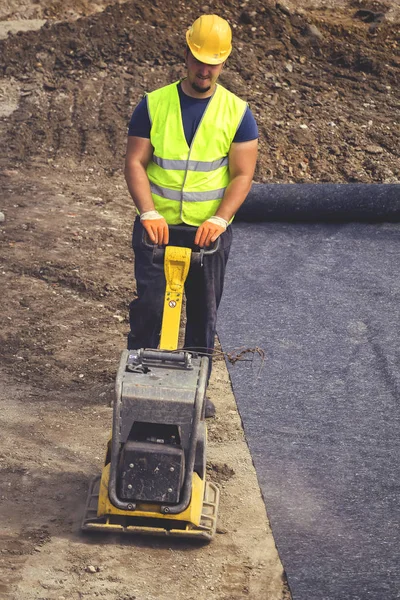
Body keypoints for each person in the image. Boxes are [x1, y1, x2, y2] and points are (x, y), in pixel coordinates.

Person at [125, 14, 258, 416]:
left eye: (213, 62)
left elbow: (242, 173)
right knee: (150, 305)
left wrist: (219, 219)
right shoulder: (153, 104)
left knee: (203, 312)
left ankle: (196, 389)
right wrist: (148, 211)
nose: (205, 69)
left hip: (208, 233)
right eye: (199, 59)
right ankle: (137, 378)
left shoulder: (237, 113)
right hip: (157, 228)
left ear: (224, 62)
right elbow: (135, 162)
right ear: (186, 53)